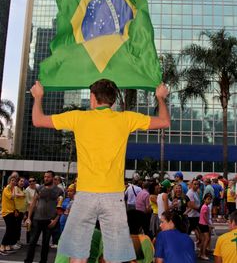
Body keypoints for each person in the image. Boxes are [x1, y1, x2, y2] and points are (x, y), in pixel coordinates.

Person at [30, 79, 170, 262]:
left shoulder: (78, 117)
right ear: (112, 100)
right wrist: (160, 98)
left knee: (77, 255)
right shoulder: (126, 118)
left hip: (86, 193)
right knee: (115, 256)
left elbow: (38, 120)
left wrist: (38, 97)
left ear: (93, 98)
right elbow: (164, 121)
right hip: (113, 195)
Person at [24, 170, 64, 263]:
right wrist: (29, 218)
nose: (46, 178)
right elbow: (33, 203)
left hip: (49, 221)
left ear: (53, 178)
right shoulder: (40, 188)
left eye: (48, 177)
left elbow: (60, 207)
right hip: (37, 219)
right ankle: (28, 261)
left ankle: (43, 261)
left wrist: (55, 220)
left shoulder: (59, 191)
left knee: (45, 244)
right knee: (32, 242)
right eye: (45, 176)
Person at [0, 175, 18, 254]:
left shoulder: (12, 189)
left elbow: (14, 202)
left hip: (12, 212)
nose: (14, 182)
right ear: (9, 181)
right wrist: (19, 194)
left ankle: (7, 245)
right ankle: (2, 246)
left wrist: (16, 210)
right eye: (12, 180)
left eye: (15, 181)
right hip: (6, 212)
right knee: (9, 229)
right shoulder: (7, 189)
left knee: (12, 229)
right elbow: (12, 197)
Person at [186, 179, 201, 246]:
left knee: (198, 231)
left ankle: (198, 244)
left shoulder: (195, 192)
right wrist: (201, 209)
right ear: (191, 185)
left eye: (197, 184)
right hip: (191, 216)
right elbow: (192, 205)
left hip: (196, 215)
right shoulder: (190, 193)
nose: (196, 185)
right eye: (195, 184)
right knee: (187, 233)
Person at [198, 193, 213, 261]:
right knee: (206, 240)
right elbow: (204, 216)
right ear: (204, 200)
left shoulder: (204, 206)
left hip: (201, 224)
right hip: (204, 225)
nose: (209, 201)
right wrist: (209, 224)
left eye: (210, 199)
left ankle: (201, 253)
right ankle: (203, 254)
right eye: (208, 199)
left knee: (203, 240)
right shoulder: (205, 207)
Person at [14, 176, 27, 246]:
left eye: (23, 181)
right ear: (18, 182)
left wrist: (25, 213)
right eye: (21, 181)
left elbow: (24, 201)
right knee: (16, 227)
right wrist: (23, 194)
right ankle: (14, 241)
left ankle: (17, 240)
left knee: (18, 227)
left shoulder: (23, 189)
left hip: (22, 211)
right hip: (17, 210)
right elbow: (16, 194)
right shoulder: (16, 188)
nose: (22, 182)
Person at [25, 177, 38, 243]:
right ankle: (28, 241)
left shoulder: (38, 187)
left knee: (35, 227)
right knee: (29, 226)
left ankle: (34, 241)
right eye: (30, 181)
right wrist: (34, 204)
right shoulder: (27, 190)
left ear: (35, 181)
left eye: (33, 181)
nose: (31, 182)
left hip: (37, 211)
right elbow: (27, 201)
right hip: (29, 211)